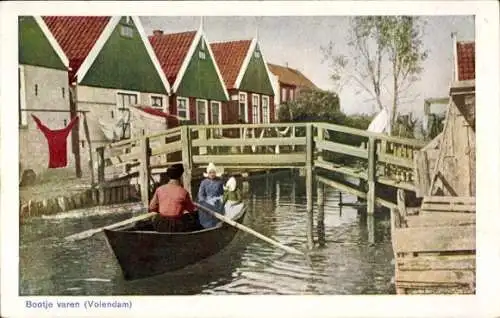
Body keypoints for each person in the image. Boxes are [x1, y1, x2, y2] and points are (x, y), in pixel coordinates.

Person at [149, 164, 201, 232]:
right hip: (176, 226)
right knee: (194, 217)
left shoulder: (159, 189)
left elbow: (152, 207)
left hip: (161, 225)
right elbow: (191, 209)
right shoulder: (183, 192)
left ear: (168, 176)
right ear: (181, 176)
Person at [197, 162, 224, 228]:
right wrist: (206, 201)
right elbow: (200, 195)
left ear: (215, 173)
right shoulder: (204, 182)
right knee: (204, 210)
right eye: (210, 172)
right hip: (206, 202)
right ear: (208, 173)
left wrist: (220, 199)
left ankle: (217, 223)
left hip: (217, 202)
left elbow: (222, 193)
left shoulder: (219, 181)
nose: (212, 174)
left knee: (219, 208)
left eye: (213, 172)